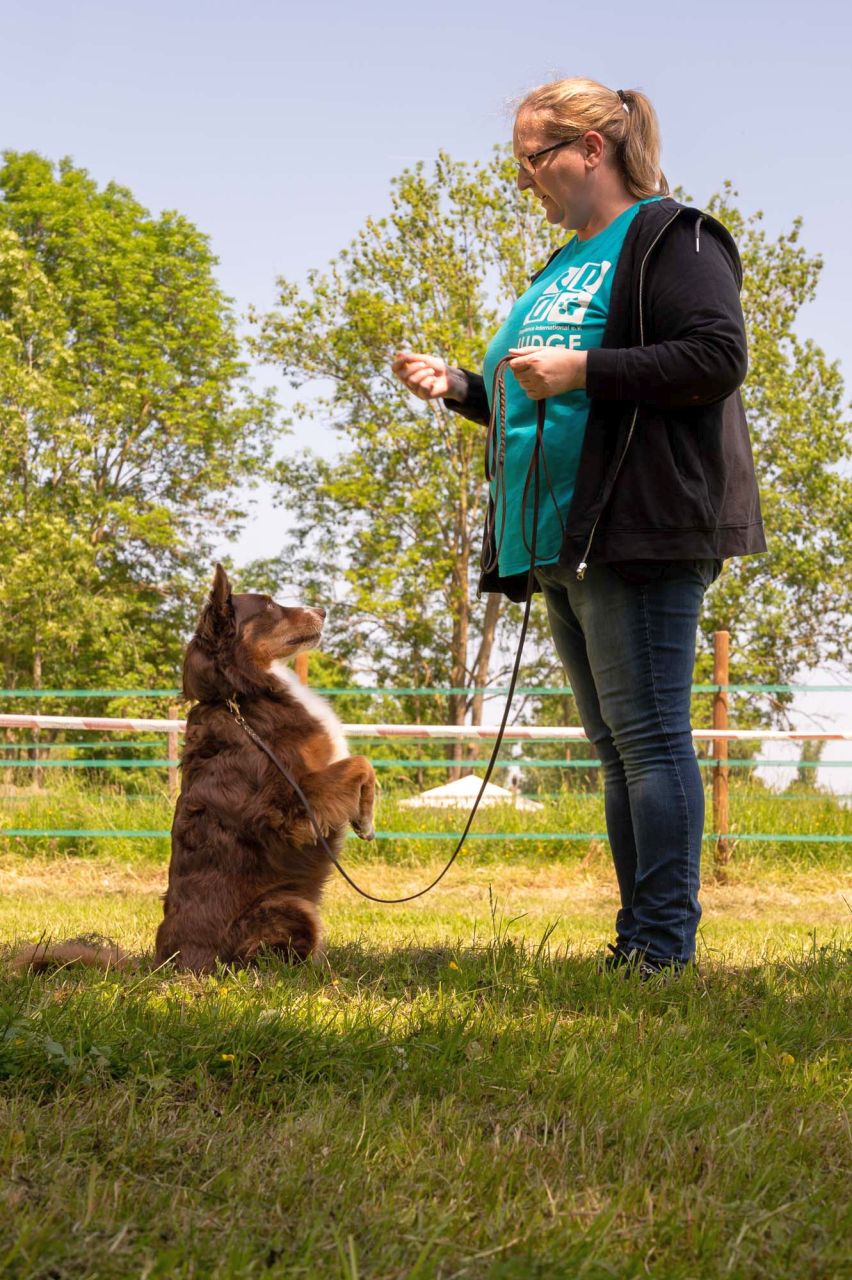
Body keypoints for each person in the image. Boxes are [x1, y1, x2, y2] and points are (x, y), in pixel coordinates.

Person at [391, 77, 765, 977]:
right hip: (558, 540)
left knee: (650, 741)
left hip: (638, 530)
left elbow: (717, 356)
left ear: (591, 150)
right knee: (616, 748)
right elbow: (547, 402)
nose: (524, 179)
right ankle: (638, 941)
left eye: (534, 157)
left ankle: (660, 949)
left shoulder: (672, 237)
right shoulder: (564, 262)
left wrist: (585, 368)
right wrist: (466, 390)